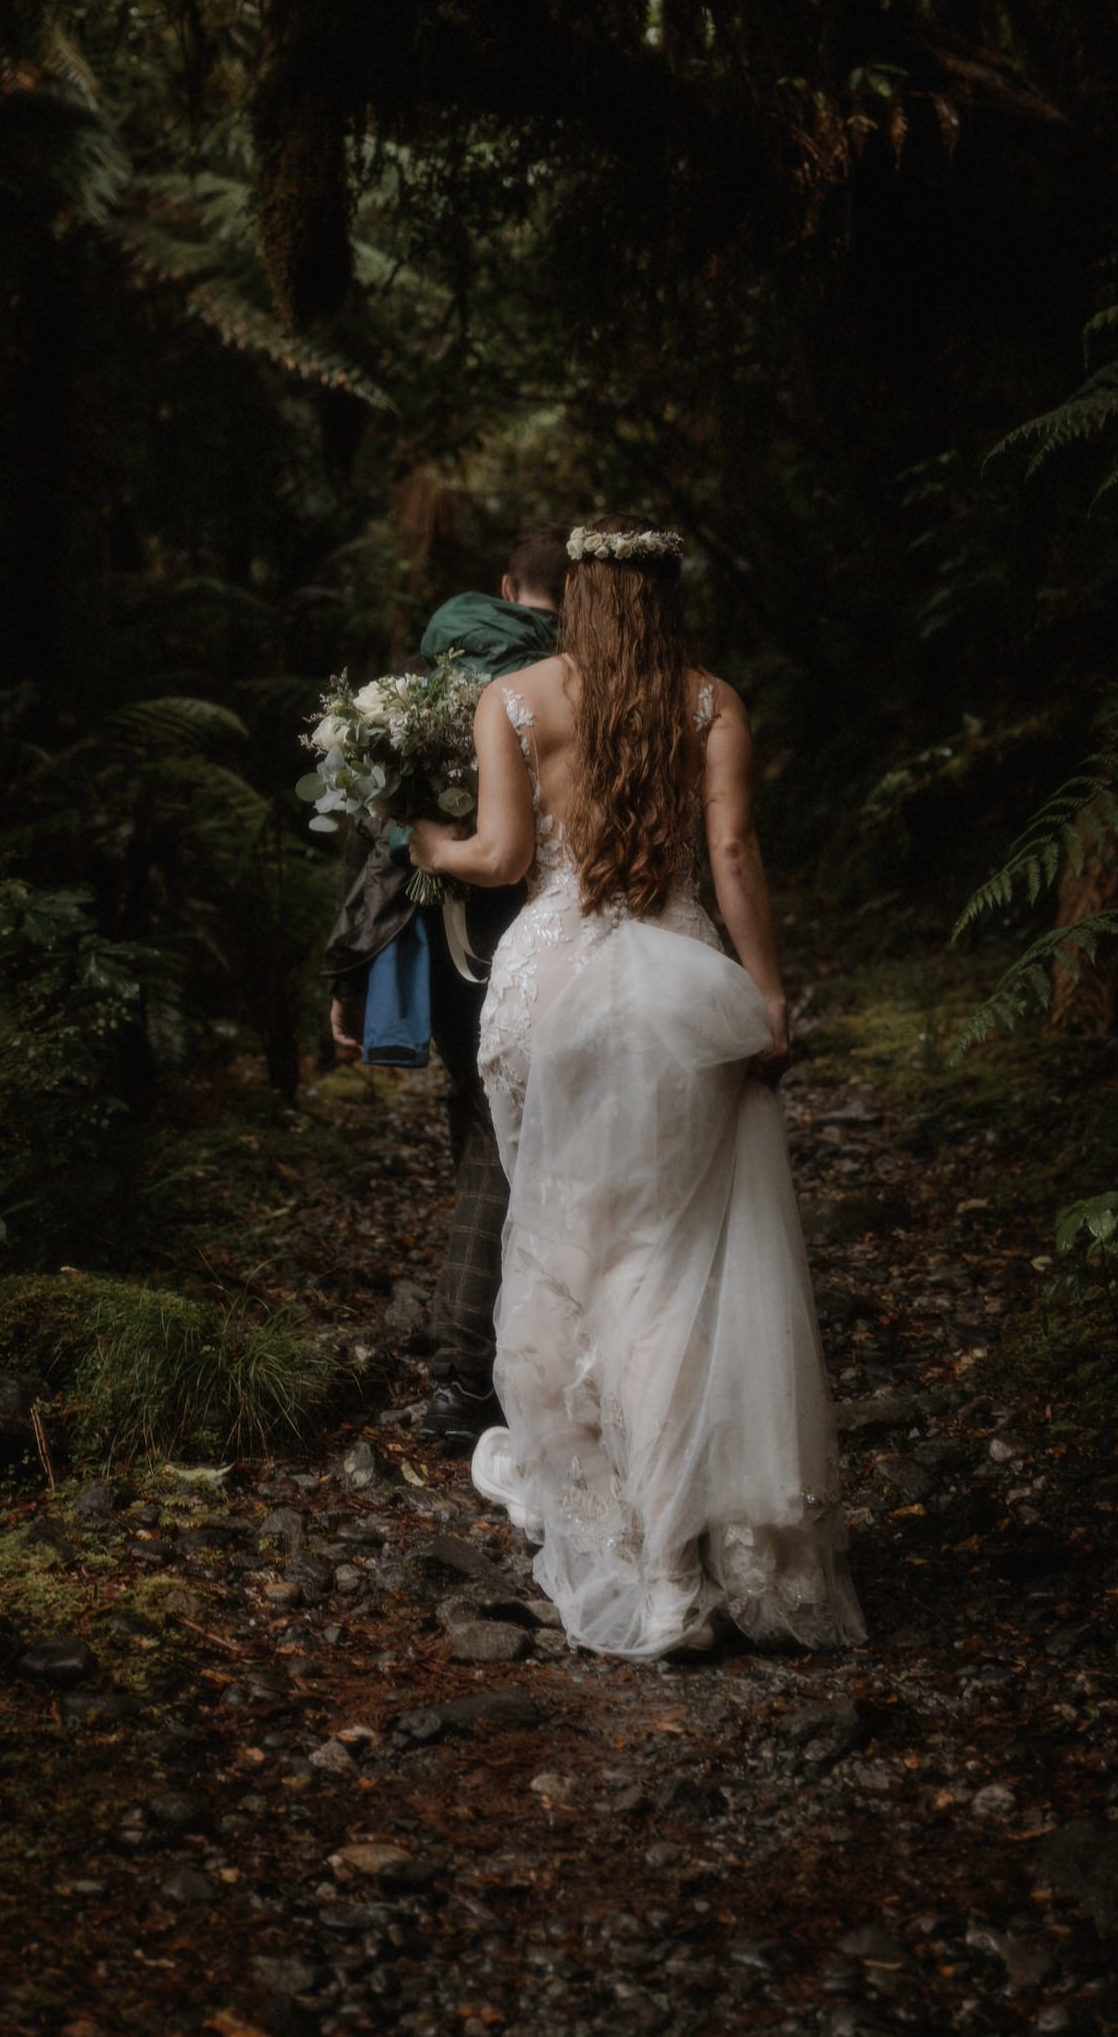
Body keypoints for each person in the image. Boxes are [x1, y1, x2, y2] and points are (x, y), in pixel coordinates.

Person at [409, 514, 863, 1659]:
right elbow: (731, 855)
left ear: (571, 594)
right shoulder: (710, 702)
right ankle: (680, 1561)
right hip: (677, 994)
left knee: (567, 1247)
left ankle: (628, 1535)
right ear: (663, 598)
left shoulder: (514, 699)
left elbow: (505, 859)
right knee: (671, 1262)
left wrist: (429, 849)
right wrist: (766, 997)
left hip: (548, 997)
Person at [322, 525, 568, 1445]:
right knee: (512, 1148)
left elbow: (370, 829)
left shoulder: (425, 680)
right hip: (551, 930)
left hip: (450, 939)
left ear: (506, 584)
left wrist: (349, 971)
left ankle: (493, 1354)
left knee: (483, 1125)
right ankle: (466, 1370)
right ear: (573, 596)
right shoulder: (580, 678)